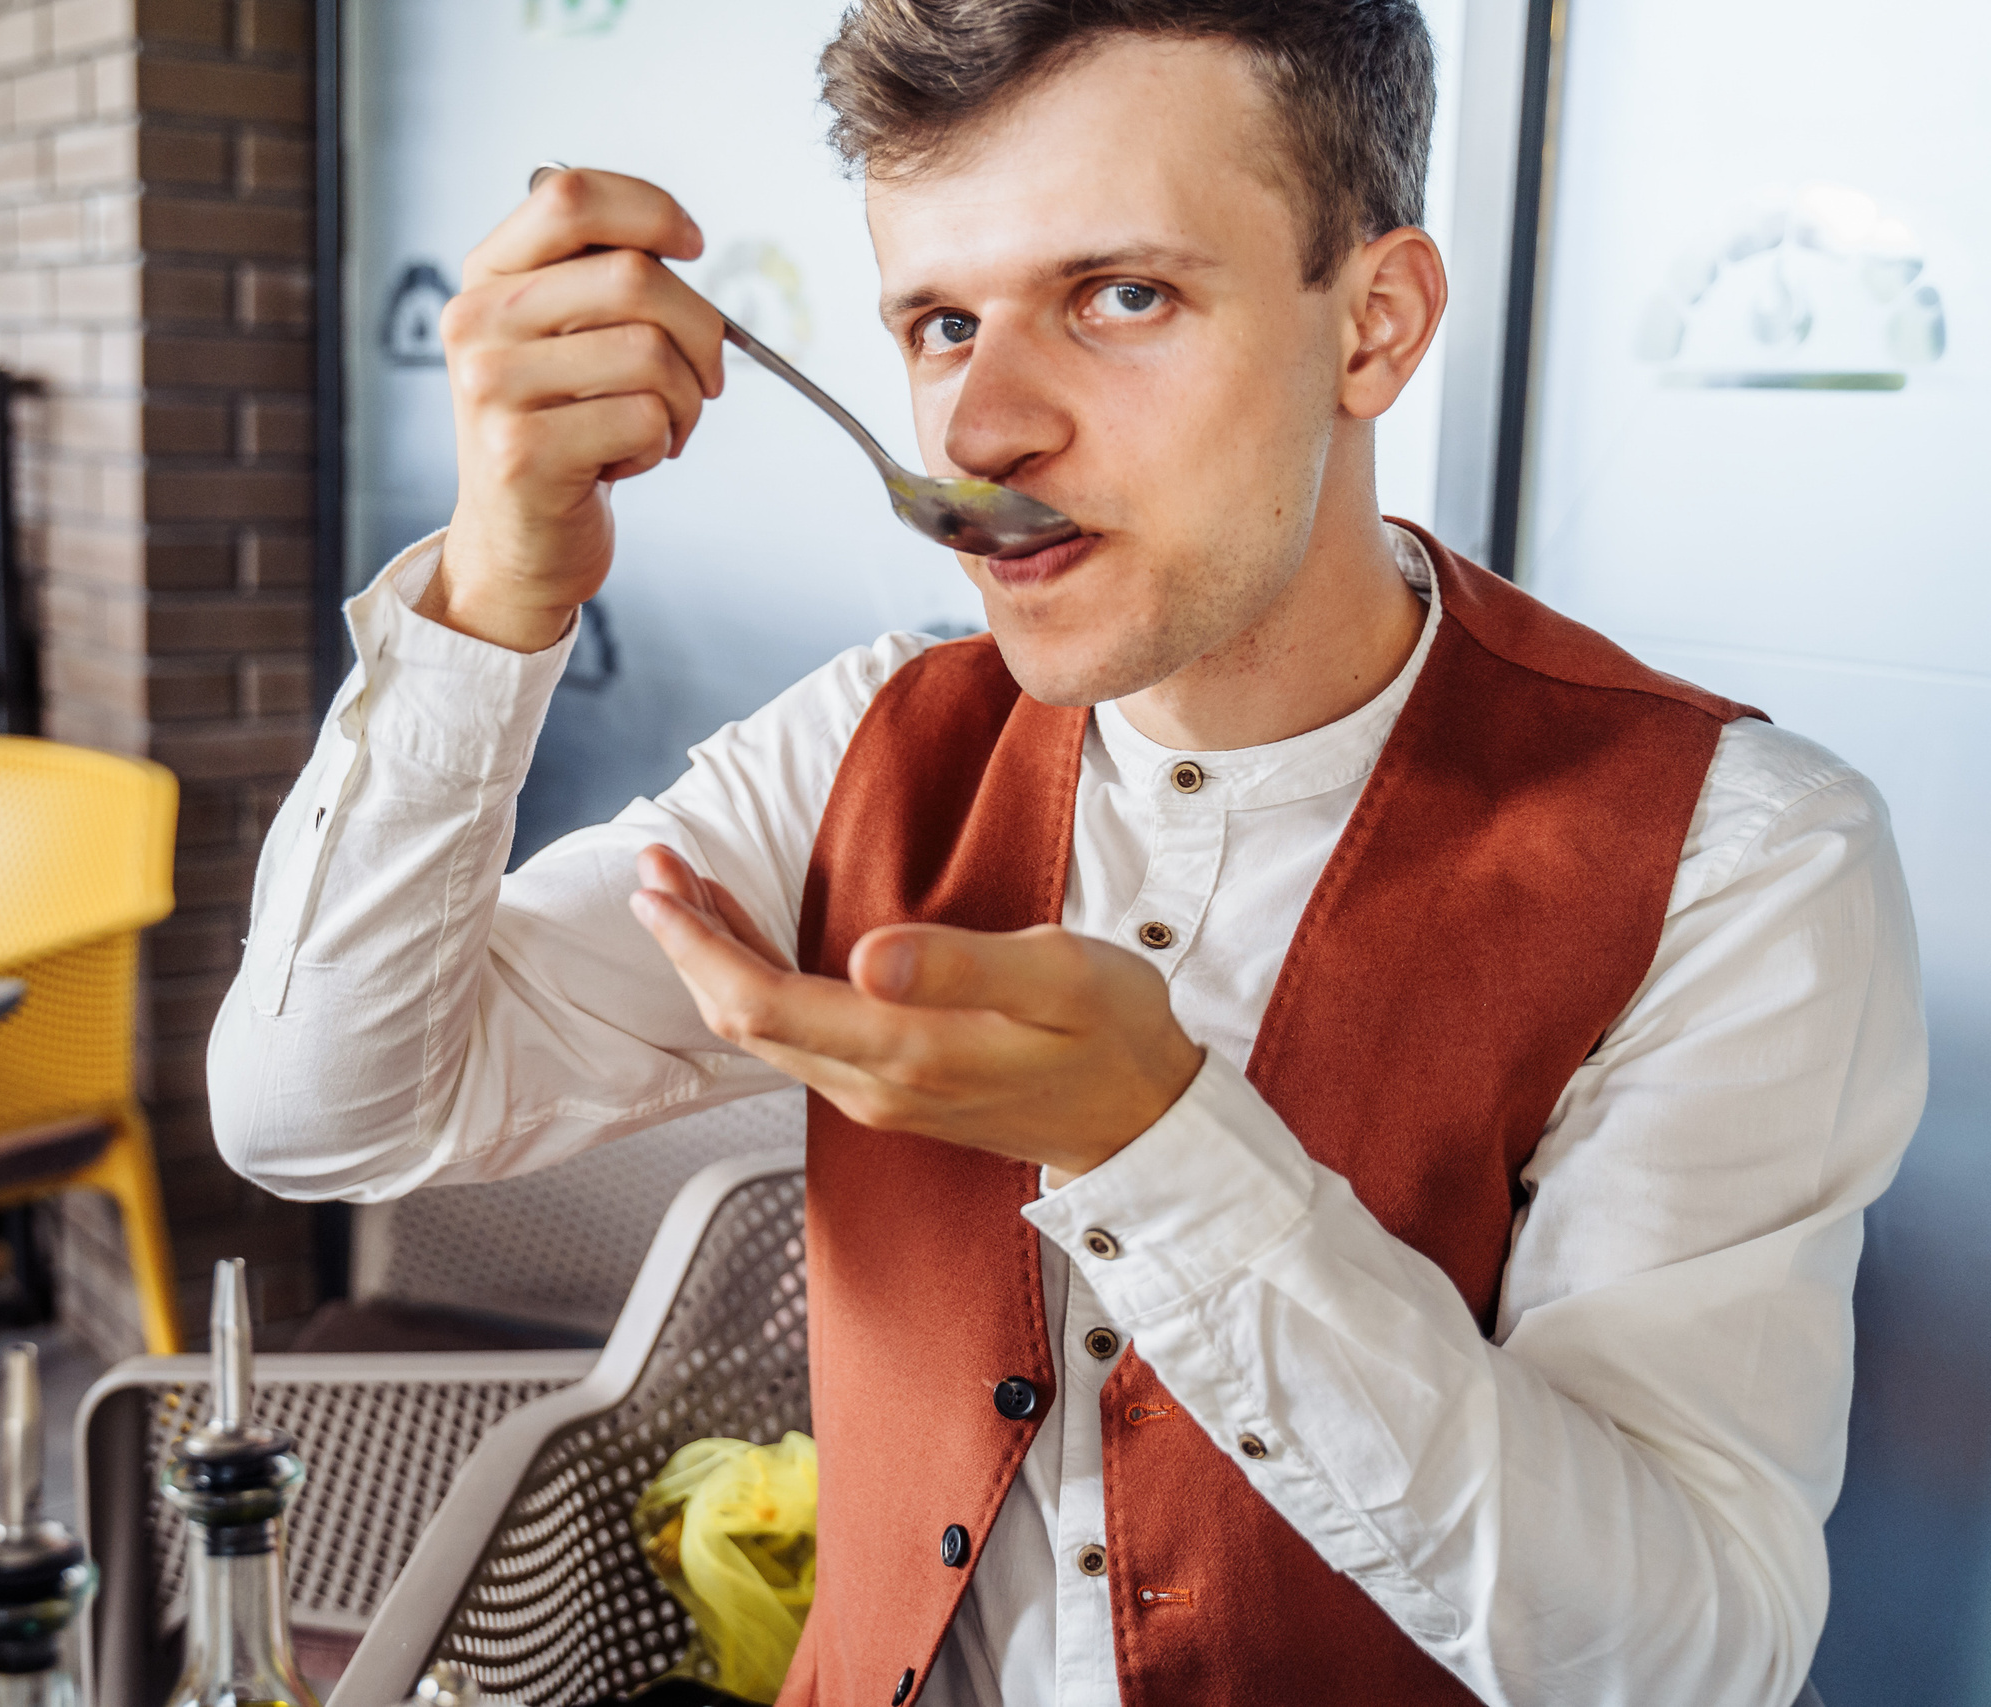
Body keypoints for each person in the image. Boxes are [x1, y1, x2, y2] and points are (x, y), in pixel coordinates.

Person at [208, 2, 1924, 1702]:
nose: (982, 430)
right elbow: (320, 1114)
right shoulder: (862, 744)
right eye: (944, 323)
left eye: (1120, 297)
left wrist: (1166, 1152)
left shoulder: (1739, 858)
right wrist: (495, 594)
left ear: (1375, 327)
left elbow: (1687, 1661)